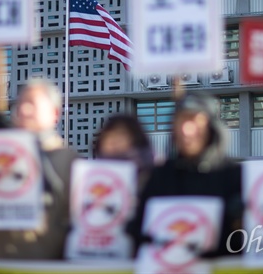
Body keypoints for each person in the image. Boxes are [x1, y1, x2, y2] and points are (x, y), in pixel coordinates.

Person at [0, 78, 77, 260]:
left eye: (32, 104)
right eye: (20, 104)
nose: (24, 110)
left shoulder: (69, 160)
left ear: (54, 113)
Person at [127, 93, 242, 257]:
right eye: (180, 121)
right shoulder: (160, 176)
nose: (186, 130)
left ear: (211, 126)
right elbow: (140, 233)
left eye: (195, 120)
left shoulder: (233, 175)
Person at [94, 114, 155, 192]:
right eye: (108, 136)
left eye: (120, 135)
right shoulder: (92, 176)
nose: (113, 141)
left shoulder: (153, 175)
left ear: (136, 139)